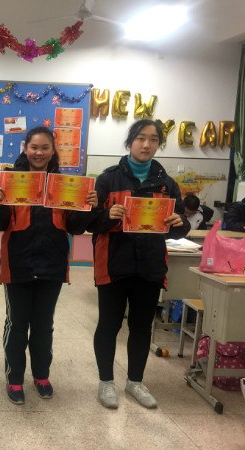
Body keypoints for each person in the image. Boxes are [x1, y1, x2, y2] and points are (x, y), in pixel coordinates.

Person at [0, 127, 98, 405]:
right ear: (25, 148)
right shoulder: (11, 180)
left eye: (45, 147)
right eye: (34, 147)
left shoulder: (64, 183)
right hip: (17, 264)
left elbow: (74, 227)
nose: (39, 152)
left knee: (44, 325)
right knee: (16, 324)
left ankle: (41, 375)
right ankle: (14, 378)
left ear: (53, 150)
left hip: (52, 264)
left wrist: (88, 207)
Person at [89, 119, 190, 409]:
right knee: (108, 325)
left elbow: (178, 228)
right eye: (141, 138)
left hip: (150, 266)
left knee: (142, 327)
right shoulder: (108, 179)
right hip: (113, 264)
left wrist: (178, 223)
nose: (146, 145)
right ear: (130, 141)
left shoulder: (167, 183)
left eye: (153, 140)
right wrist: (107, 215)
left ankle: (135, 381)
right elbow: (90, 223)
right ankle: (106, 382)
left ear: (159, 144)